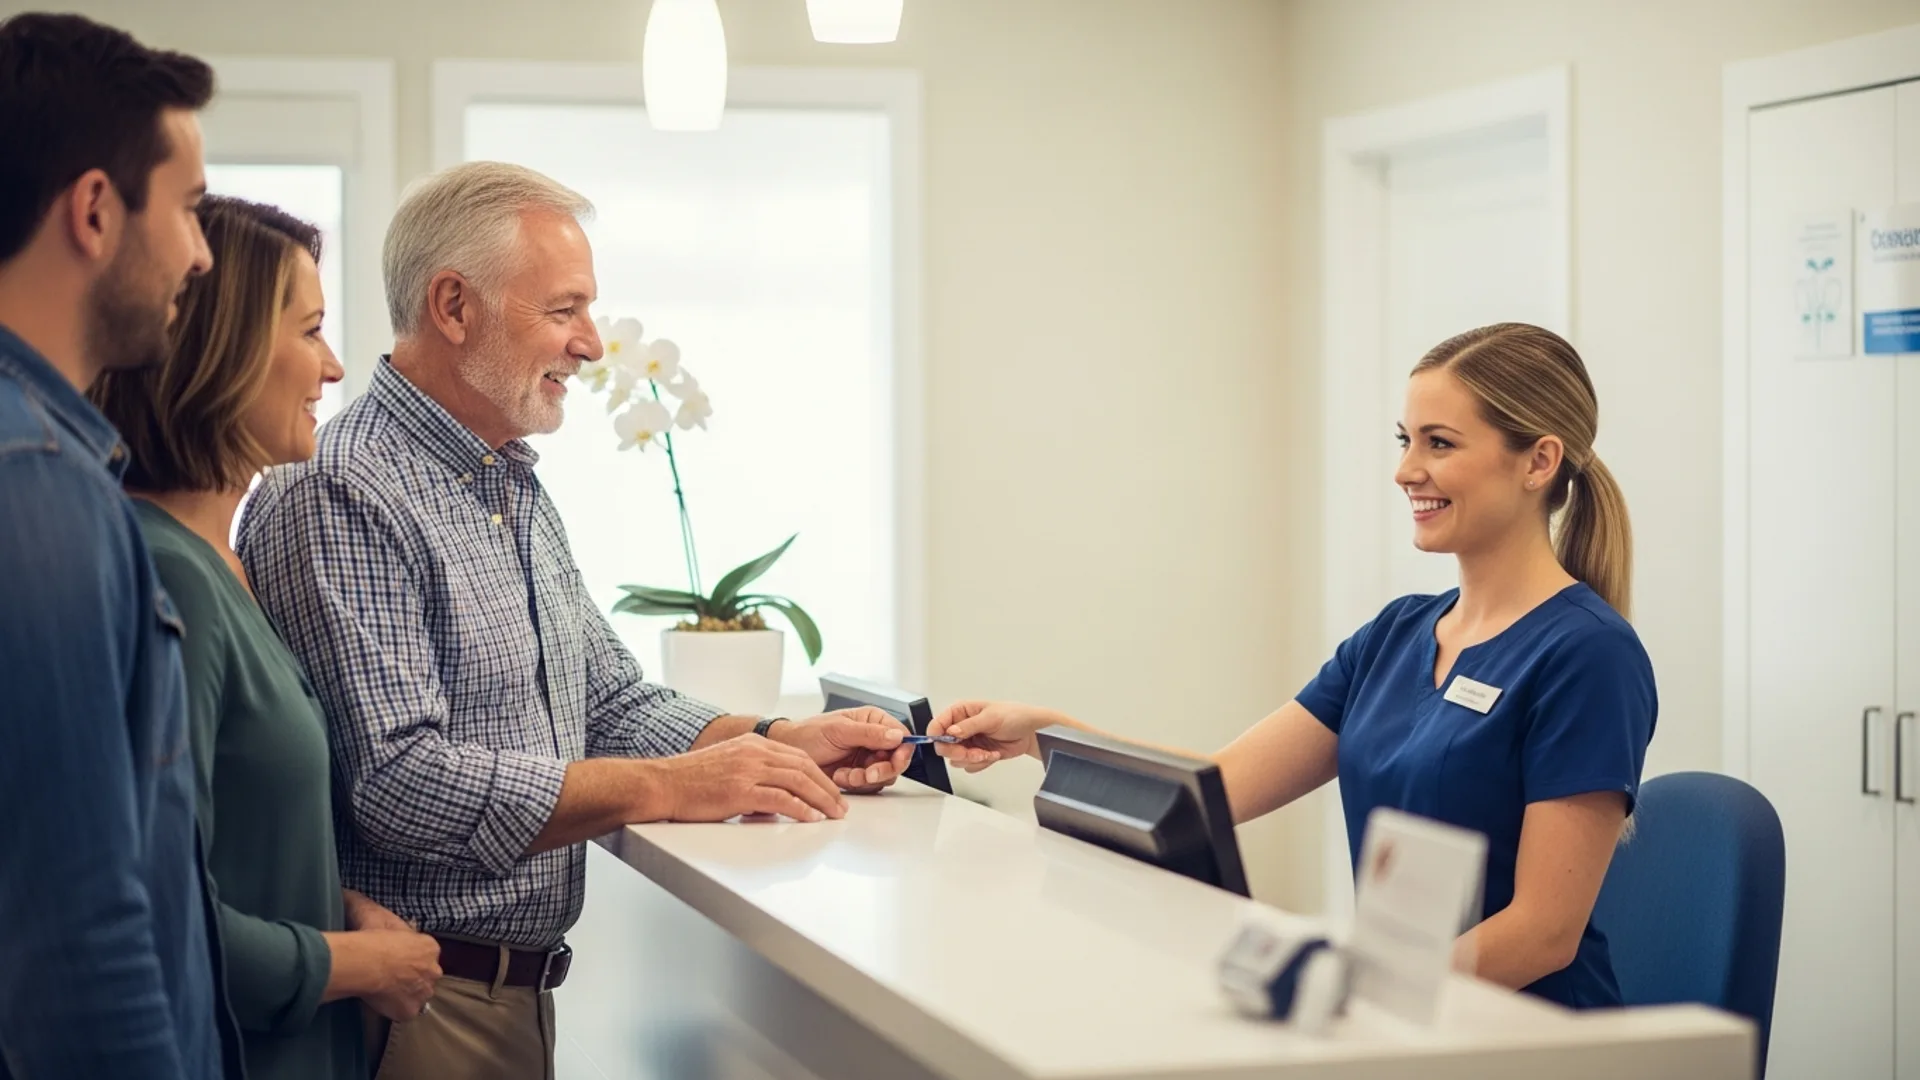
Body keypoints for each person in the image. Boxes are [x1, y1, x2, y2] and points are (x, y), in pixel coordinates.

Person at [237, 160, 916, 1079]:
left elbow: (609, 701)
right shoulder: (343, 490)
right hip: (420, 1005)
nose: (591, 346)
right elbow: (401, 783)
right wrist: (670, 787)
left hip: (509, 996)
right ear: (454, 306)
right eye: (564, 311)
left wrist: (780, 740)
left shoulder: (506, 479)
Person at [932, 322, 1655, 1009]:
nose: (1406, 470)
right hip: (1398, 1018)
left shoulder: (1587, 655)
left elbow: (1543, 935)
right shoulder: (1396, 635)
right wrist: (1046, 734)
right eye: (1406, 440)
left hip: (1524, 1039)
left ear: (1539, 460)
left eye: (1439, 443)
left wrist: (1353, 990)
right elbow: (1216, 787)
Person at [90, 195, 446, 1080]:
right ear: (223, 347)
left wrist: (341, 909)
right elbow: (154, 911)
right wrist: (356, 963)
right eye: (311, 330)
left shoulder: (227, 565)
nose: (331, 367)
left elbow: (234, 848)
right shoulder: (169, 577)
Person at [0, 13, 247, 1079]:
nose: (201, 251)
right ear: (96, 210)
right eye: (190, 210)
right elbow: (79, 940)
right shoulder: (37, 488)